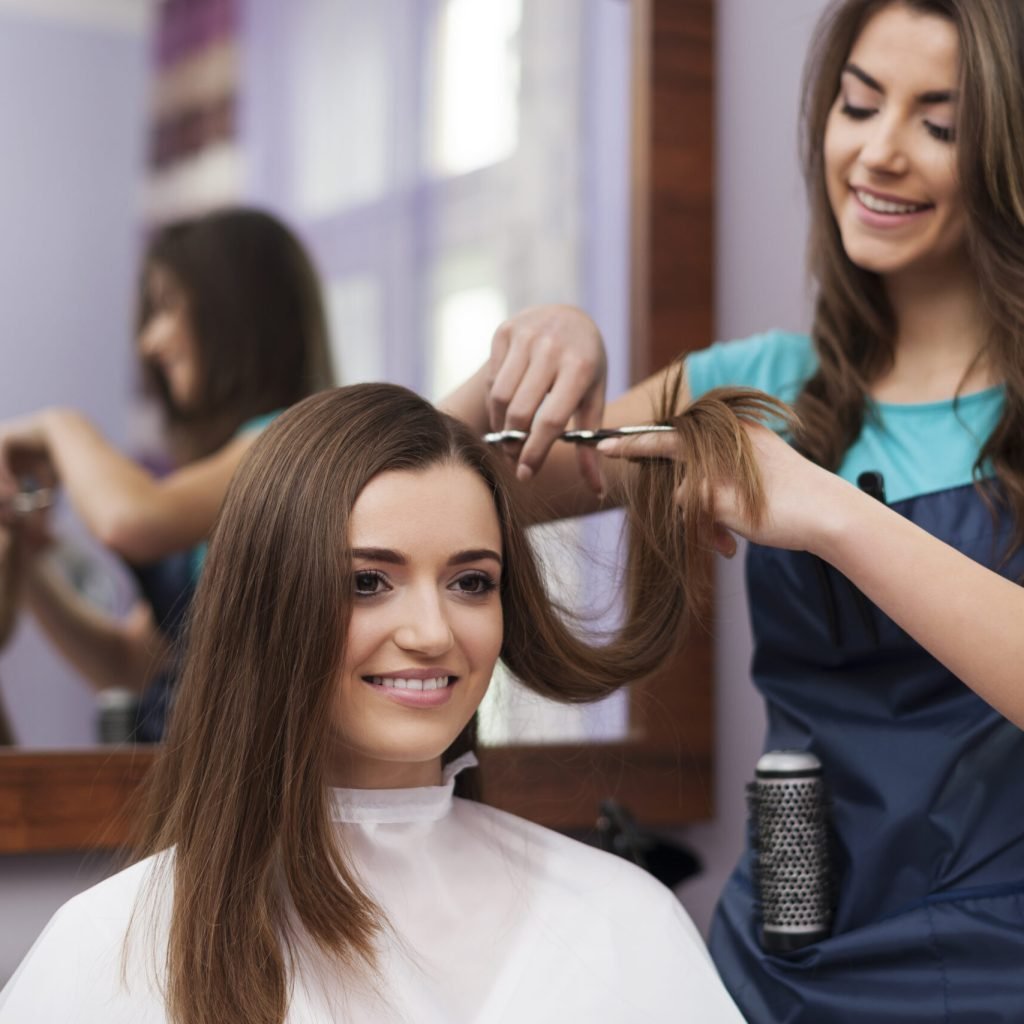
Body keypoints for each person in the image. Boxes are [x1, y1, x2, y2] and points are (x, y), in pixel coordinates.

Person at [442, 0, 1024, 1019]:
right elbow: (426, 495)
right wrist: (528, 356)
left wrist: (827, 511)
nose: (878, 153)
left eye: (939, 124)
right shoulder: (756, 386)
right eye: (857, 104)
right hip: (773, 973)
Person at [0, 383, 754, 1023]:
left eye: (471, 582)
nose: (432, 633)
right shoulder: (120, 945)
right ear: (268, 607)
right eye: (367, 582)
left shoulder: (619, 919)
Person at [0, 206, 334, 740]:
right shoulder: (219, 476)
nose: (149, 342)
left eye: (167, 308)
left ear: (235, 315)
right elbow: (131, 664)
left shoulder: (295, 441)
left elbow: (132, 519)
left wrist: (57, 425)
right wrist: (30, 551)